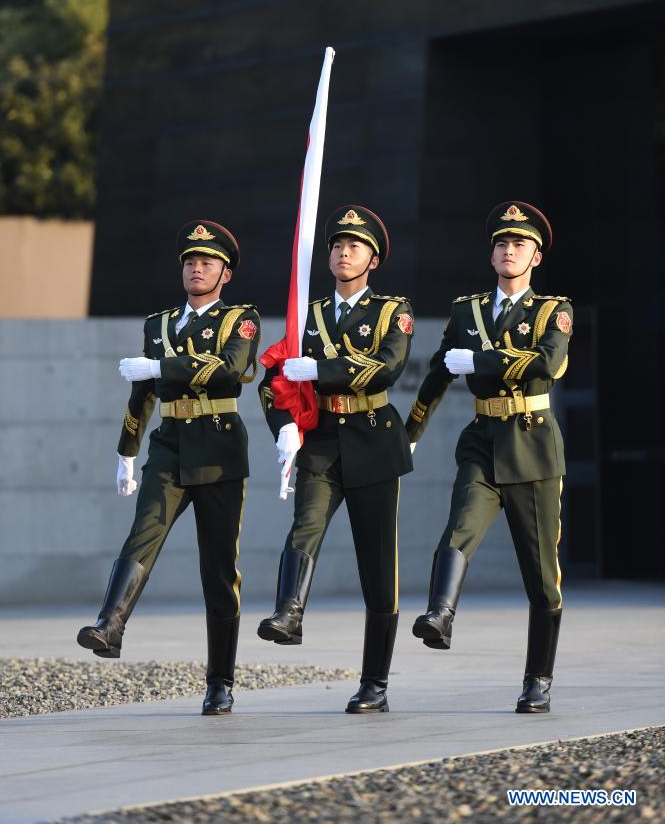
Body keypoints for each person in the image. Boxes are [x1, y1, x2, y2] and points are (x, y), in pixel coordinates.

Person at [76, 220, 260, 716]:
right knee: (143, 532)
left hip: (220, 450)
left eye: (206, 262)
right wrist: (127, 451)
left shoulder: (240, 319)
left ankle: (220, 682)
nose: (196, 267)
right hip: (170, 447)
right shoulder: (157, 324)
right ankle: (110, 625)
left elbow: (230, 368)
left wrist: (161, 368)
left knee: (219, 571)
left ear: (225, 273)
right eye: (189, 261)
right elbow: (142, 393)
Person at [407, 201, 572, 713]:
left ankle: (538, 678)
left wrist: (479, 359)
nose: (508, 250)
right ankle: (440, 613)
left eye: (519, 244)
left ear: (535, 257)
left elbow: (547, 362)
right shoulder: (467, 311)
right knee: (459, 526)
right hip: (482, 440)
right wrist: (411, 430)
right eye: (501, 243)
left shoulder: (553, 311)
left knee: (541, 576)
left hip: (533, 446)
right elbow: (438, 372)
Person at [257, 206, 414, 713]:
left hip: (372, 439)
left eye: (355, 247)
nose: (344, 253)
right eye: (337, 246)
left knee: (376, 565)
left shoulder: (393, 311)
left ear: (373, 259)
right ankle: (289, 613)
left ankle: (375, 684)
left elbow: (384, 367)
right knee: (304, 527)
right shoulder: (307, 315)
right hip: (321, 438)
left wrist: (320, 369)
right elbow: (272, 382)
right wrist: (282, 428)